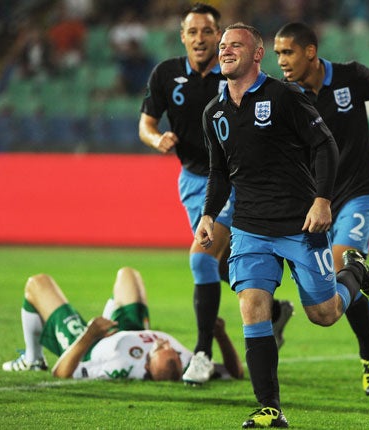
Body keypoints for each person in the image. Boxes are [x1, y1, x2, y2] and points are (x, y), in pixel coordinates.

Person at [197, 23, 369, 428]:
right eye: (223, 45)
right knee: (252, 305)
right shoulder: (214, 112)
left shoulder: (285, 97)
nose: (226, 50)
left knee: (325, 313)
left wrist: (322, 199)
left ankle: (354, 272)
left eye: (236, 45)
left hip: (300, 225)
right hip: (250, 228)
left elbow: (325, 145)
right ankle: (270, 408)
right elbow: (218, 171)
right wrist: (208, 215)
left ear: (257, 53)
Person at [139, 3, 293, 385]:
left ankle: (203, 353)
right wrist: (157, 138)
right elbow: (145, 123)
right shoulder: (166, 75)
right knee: (223, 263)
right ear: (183, 37)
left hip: (233, 180)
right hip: (193, 181)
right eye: (192, 32)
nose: (200, 39)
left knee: (200, 258)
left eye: (207, 32)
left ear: (218, 36)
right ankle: (272, 311)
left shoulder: (235, 73)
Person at [273, 22, 369, 401]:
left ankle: (368, 356)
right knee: (347, 286)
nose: (281, 61)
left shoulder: (350, 76)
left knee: (342, 271)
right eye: (277, 54)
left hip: (360, 191)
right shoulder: (288, 95)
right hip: (319, 200)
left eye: (287, 52)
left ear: (309, 52)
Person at [2, 267, 244, 381]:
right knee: (129, 274)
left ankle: (33, 360)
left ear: (147, 366)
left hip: (91, 342)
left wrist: (89, 334)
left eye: (159, 348)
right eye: (169, 349)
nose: (162, 342)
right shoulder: (182, 363)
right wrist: (220, 336)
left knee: (37, 283)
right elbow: (234, 373)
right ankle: (110, 312)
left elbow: (63, 372)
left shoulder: (118, 366)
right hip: (128, 330)